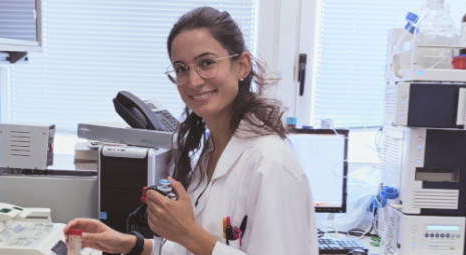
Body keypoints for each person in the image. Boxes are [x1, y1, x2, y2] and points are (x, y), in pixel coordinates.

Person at [64, 6, 319, 255]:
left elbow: (196, 241)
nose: (194, 82)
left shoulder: (271, 164)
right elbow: (189, 248)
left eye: (207, 63)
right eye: (181, 69)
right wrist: (128, 244)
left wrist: (187, 232)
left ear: (242, 65)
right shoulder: (210, 152)